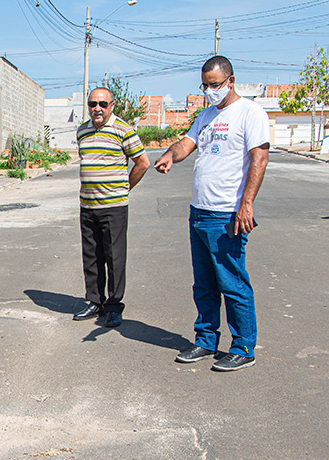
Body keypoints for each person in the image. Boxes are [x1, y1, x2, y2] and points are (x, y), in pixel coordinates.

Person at [154, 55, 270, 372]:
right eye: (205, 85)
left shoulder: (250, 113)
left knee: (232, 283)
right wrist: (169, 156)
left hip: (226, 214)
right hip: (200, 212)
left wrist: (246, 204)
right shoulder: (206, 116)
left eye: (215, 85)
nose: (210, 91)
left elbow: (259, 158)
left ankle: (244, 346)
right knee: (203, 284)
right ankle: (206, 340)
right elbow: (186, 144)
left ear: (231, 81)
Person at [72, 87, 151, 327]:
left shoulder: (124, 131)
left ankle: (114, 306)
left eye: (103, 104)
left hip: (113, 206)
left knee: (114, 257)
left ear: (112, 106)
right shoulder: (82, 131)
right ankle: (95, 301)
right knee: (91, 256)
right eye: (93, 104)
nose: (97, 108)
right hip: (87, 205)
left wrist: (125, 188)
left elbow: (143, 163)